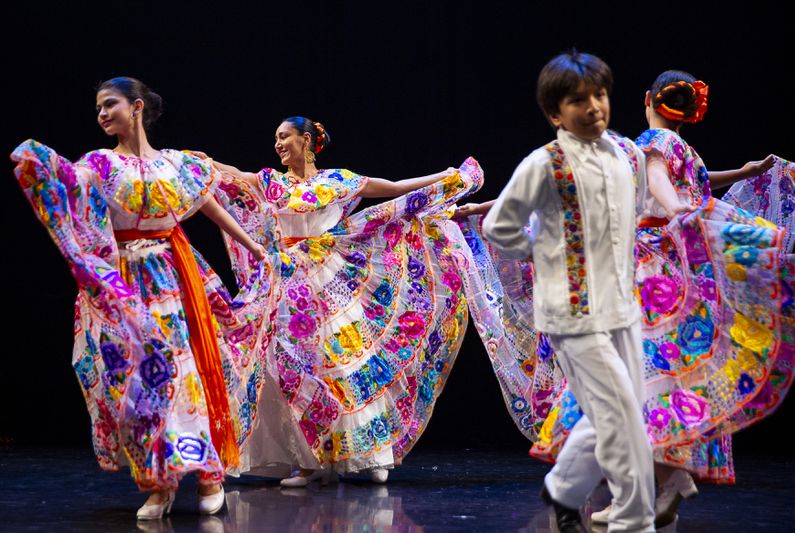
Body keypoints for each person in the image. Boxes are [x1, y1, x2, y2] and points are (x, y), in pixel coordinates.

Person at [532, 70, 795, 528]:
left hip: (651, 273)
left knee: (640, 380)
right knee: (673, 376)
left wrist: (674, 209)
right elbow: (689, 177)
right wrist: (741, 173)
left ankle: (652, 484)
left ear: (647, 100)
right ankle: (670, 475)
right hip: (681, 272)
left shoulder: (652, 141)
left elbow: (657, 177)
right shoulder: (685, 149)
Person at [10, 77, 275, 520]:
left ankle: (208, 474)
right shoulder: (98, 164)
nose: (101, 114)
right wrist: (44, 166)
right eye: (97, 107)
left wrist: (255, 247)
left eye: (108, 104)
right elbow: (72, 192)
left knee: (182, 372)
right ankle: (160, 481)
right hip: (122, 285)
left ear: (135, 107)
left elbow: (210, 205)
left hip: (172, 278)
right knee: (138, 385)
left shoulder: (176, 164)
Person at [199, 116, 483, 486]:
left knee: (345, 360)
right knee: (293, 365)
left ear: (306, 140)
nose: (278, 144)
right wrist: (200, 162)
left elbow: (394, 188)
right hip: (287, 280)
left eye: (284, 136)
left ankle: (370, 452)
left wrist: (443, 177)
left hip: (332, 276)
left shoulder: (338, 180)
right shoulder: (271, 181)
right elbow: (231, 173)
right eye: (275, 139)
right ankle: (309, 460)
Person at [482, 51, 668, 533]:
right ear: (554, 113)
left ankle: (564, 487)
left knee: (625, 408)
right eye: (578, 100)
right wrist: (546, 255)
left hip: (622, 307)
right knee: (623, 416)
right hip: (573, 314)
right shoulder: (543, 164)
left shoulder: (626, 155)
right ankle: (633, 520)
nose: (593, 107)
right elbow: (498, 227)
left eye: (600, 95)